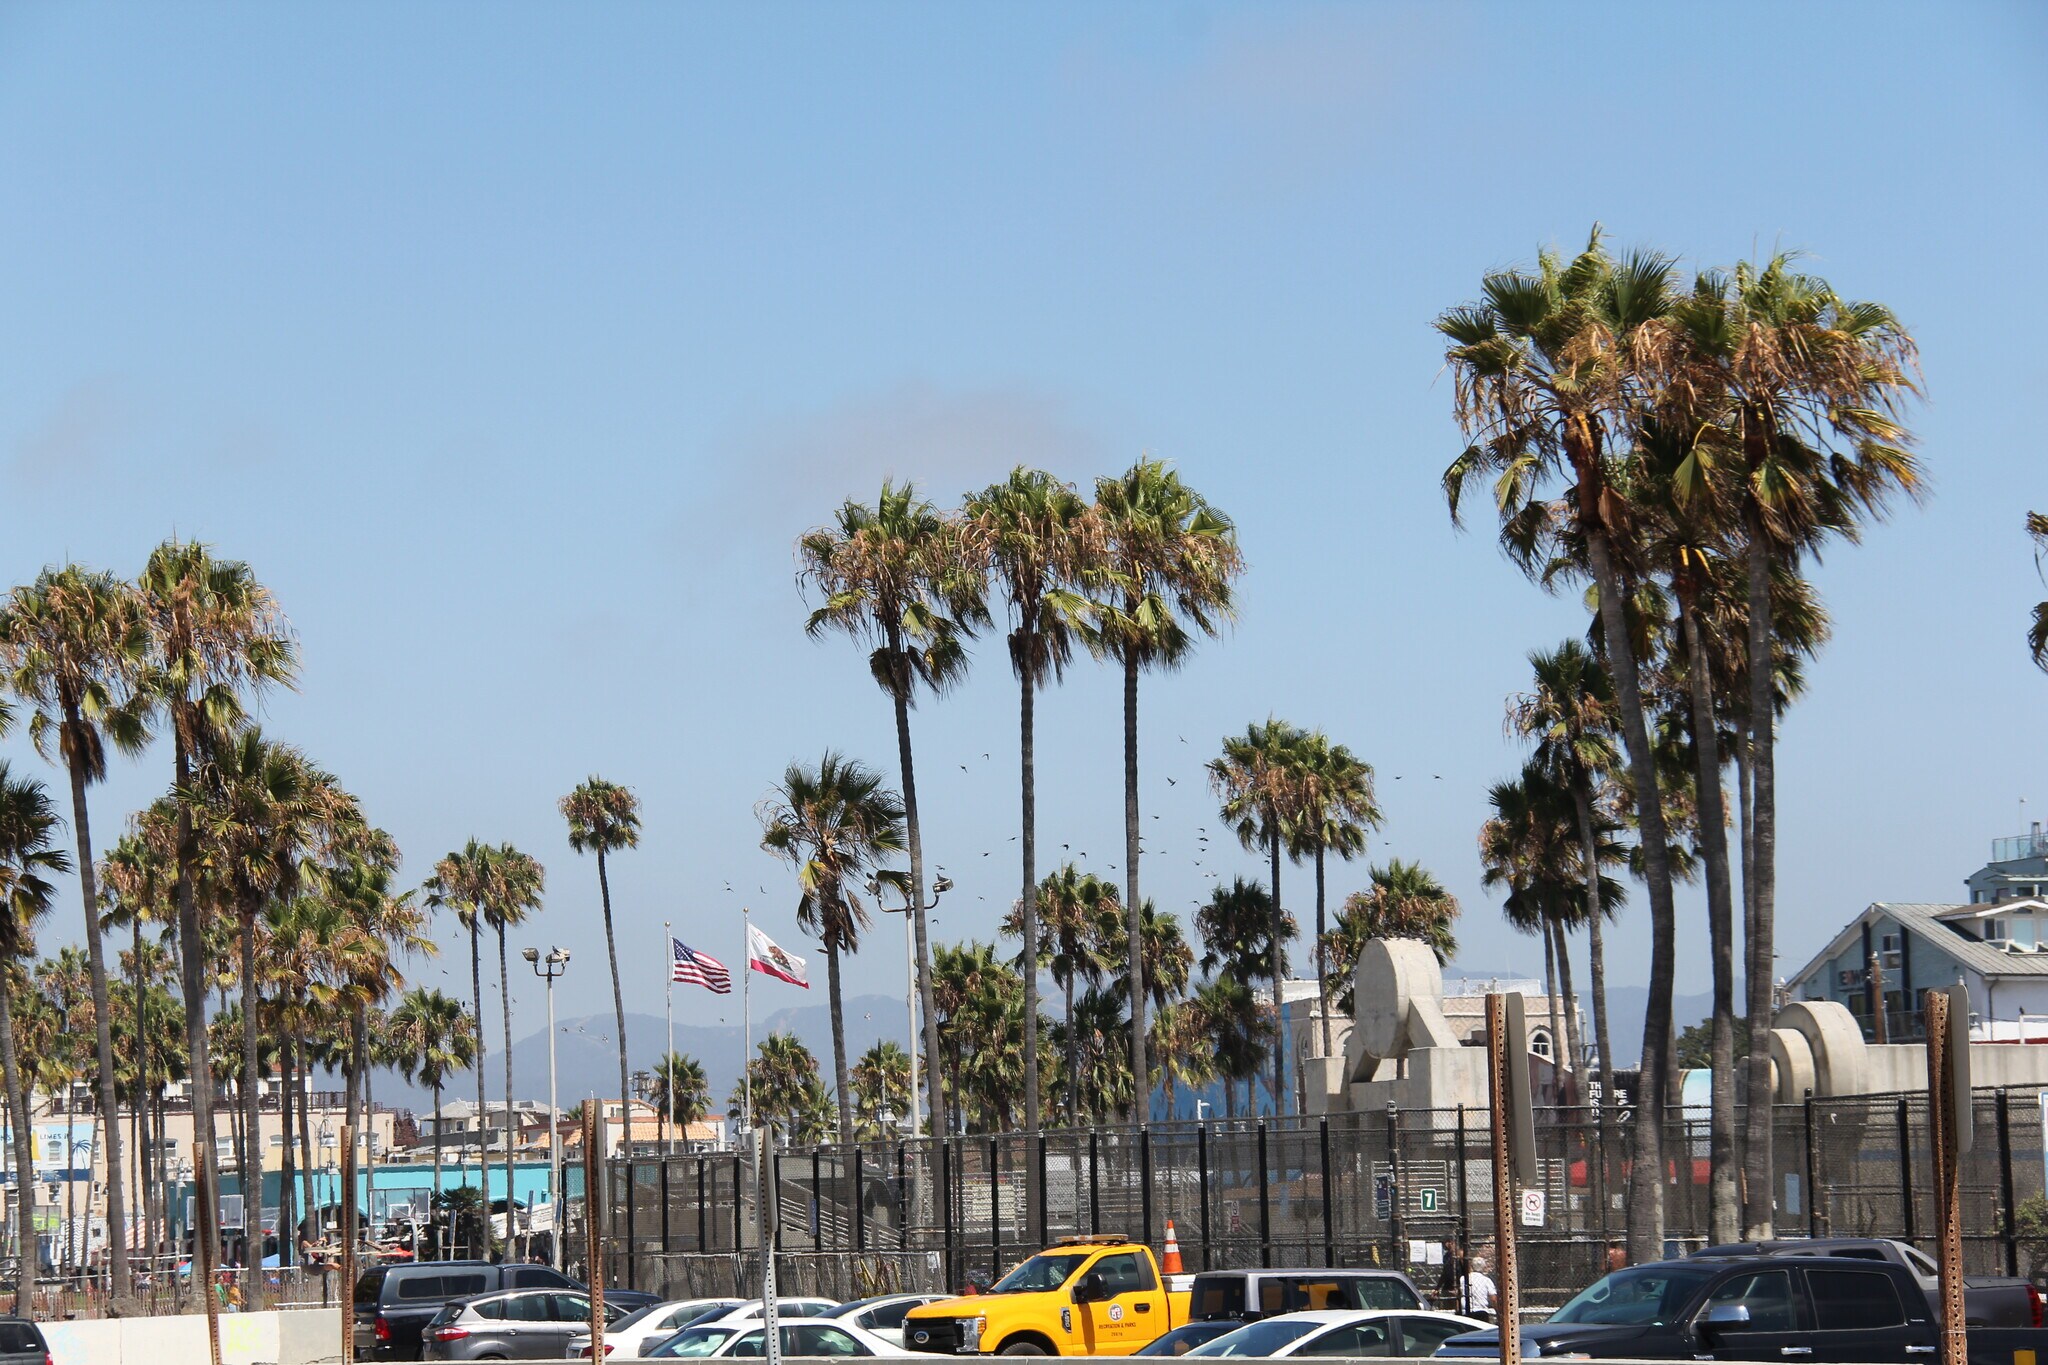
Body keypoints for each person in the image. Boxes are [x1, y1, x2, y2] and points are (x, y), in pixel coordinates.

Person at [1461, 1255, 1498, 1322]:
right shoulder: (1486, 1280)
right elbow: (1493, 1299)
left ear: (1471, 1266)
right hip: (1481, 1311)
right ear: (1483, 1267)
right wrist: (1498, 1312)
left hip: (1466, 1311)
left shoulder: (1463, 1279)